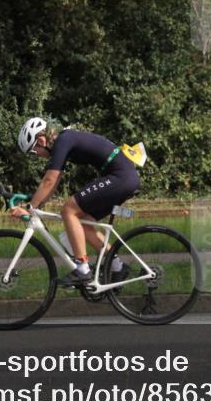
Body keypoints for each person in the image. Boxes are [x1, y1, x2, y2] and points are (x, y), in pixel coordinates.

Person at [12, 117, 139, 287]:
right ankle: (117, 268)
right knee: (82, 220)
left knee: (68, 210)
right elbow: (54, 182)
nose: (37, 157)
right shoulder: (65, 139)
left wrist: (30, 208)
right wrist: (36, 204)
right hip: (124, 177)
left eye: (34, 152)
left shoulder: (63, 140)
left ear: (41, 141)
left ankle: (83, 270)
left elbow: (50, 180)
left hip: (120, 177)